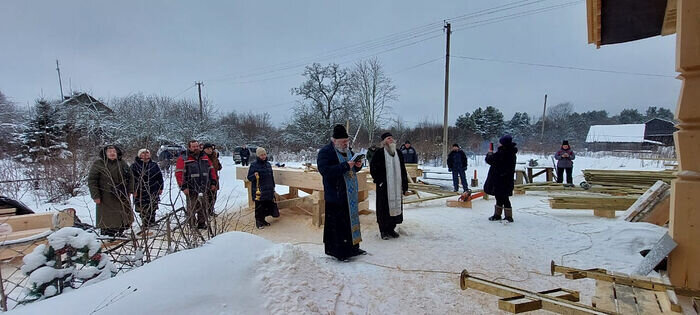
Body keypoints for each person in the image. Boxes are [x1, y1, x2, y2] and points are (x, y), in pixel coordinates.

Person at [317, 124, 366, 262]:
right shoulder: (325, 152)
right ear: (334, 141)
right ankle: (339, 252)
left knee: (350, 222)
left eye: (347, 141)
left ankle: (353, 248)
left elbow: (351, 171)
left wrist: (357, 166)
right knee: (337, 225)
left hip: (349, 194)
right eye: (343, 142)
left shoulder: (348, 150)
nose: (345, 144)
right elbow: (325, 171)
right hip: (335, 194)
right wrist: (345, 166)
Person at [88, 145, 134, 237]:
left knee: (123, 215)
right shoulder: (99, 164)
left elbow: (130, 177)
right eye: (109, 152)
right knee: (108, 217)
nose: (112, 153)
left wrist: (130, 190)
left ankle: (120, 233)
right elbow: (92, 180)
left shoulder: (122, 163)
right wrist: (95, 195)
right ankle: (108, 234)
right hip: (105, 196)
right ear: (105, 153)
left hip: (121, 194)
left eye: (114, 151)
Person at [370, 132, 408, 240]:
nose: (390, 140)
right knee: (384, 208)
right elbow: (373, 168)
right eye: (388, 138)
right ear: (383, 142)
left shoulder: (399, 153)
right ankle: (383, 230)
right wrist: (379, 181)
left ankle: (391, 229)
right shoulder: (379, 153)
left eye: (391, 138)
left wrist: (405, 185)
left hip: (396, 186)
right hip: (384, 186)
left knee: (395, 208)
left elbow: (403, 170)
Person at [175, 140, 218, 229]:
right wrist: (183, 186)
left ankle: (202, 223)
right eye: (194, 146)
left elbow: (211, 170)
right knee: (192, 207)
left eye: (197, 146)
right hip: (191, 187)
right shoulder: (184, 158)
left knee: (204, 206)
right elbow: (179, 174)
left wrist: (213, 181)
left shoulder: (204, 157)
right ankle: (192, 224)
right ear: (189, 147)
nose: (196, 148)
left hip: (204, 186)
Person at [484, 135, 518, 222]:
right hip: (505, 179)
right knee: (500, 197)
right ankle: (498, 215)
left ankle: (507, 216)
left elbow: (490, 160)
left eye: (500, 142)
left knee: (503, 198)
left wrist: (489, 153)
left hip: (500, 179)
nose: (498, 144)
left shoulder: (503, 152)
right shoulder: (510, 152)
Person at [247, 147, 279, 229]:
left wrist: (273, 186)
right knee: (259, 206)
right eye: (261, 155)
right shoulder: (254, 165)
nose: (263, 156)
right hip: (259, 190)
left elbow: (271, 176)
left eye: (264, 154)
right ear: (258, 156)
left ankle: (263, 220)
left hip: (268, 189)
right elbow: (249, 178)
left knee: (266, 205)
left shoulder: (268, 164)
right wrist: (254, 175)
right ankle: (258, 221)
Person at [131, 149, 164, 228]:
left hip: (153, 190)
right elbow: (131, 179)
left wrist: (160, 187)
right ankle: (145, 224)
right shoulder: (134, 166)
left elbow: (159, 177)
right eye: (143, 153)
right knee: (143, 208)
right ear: (139, 155)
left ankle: (152, 222)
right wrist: (134, 190)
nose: (145, 154)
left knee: (153, 207)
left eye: (147, 153)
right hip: (140, 191)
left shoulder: (154, 165)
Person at [203, 143, 222, 216]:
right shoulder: (203, 157)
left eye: (211, 149)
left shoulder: (214, 157)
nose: (210, 150)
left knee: (213, 197)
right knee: (206, 197)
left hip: (215, 178)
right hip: (206, 179)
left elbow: (219, 167)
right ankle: (205, 212)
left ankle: (211, 210)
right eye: (208, 149)